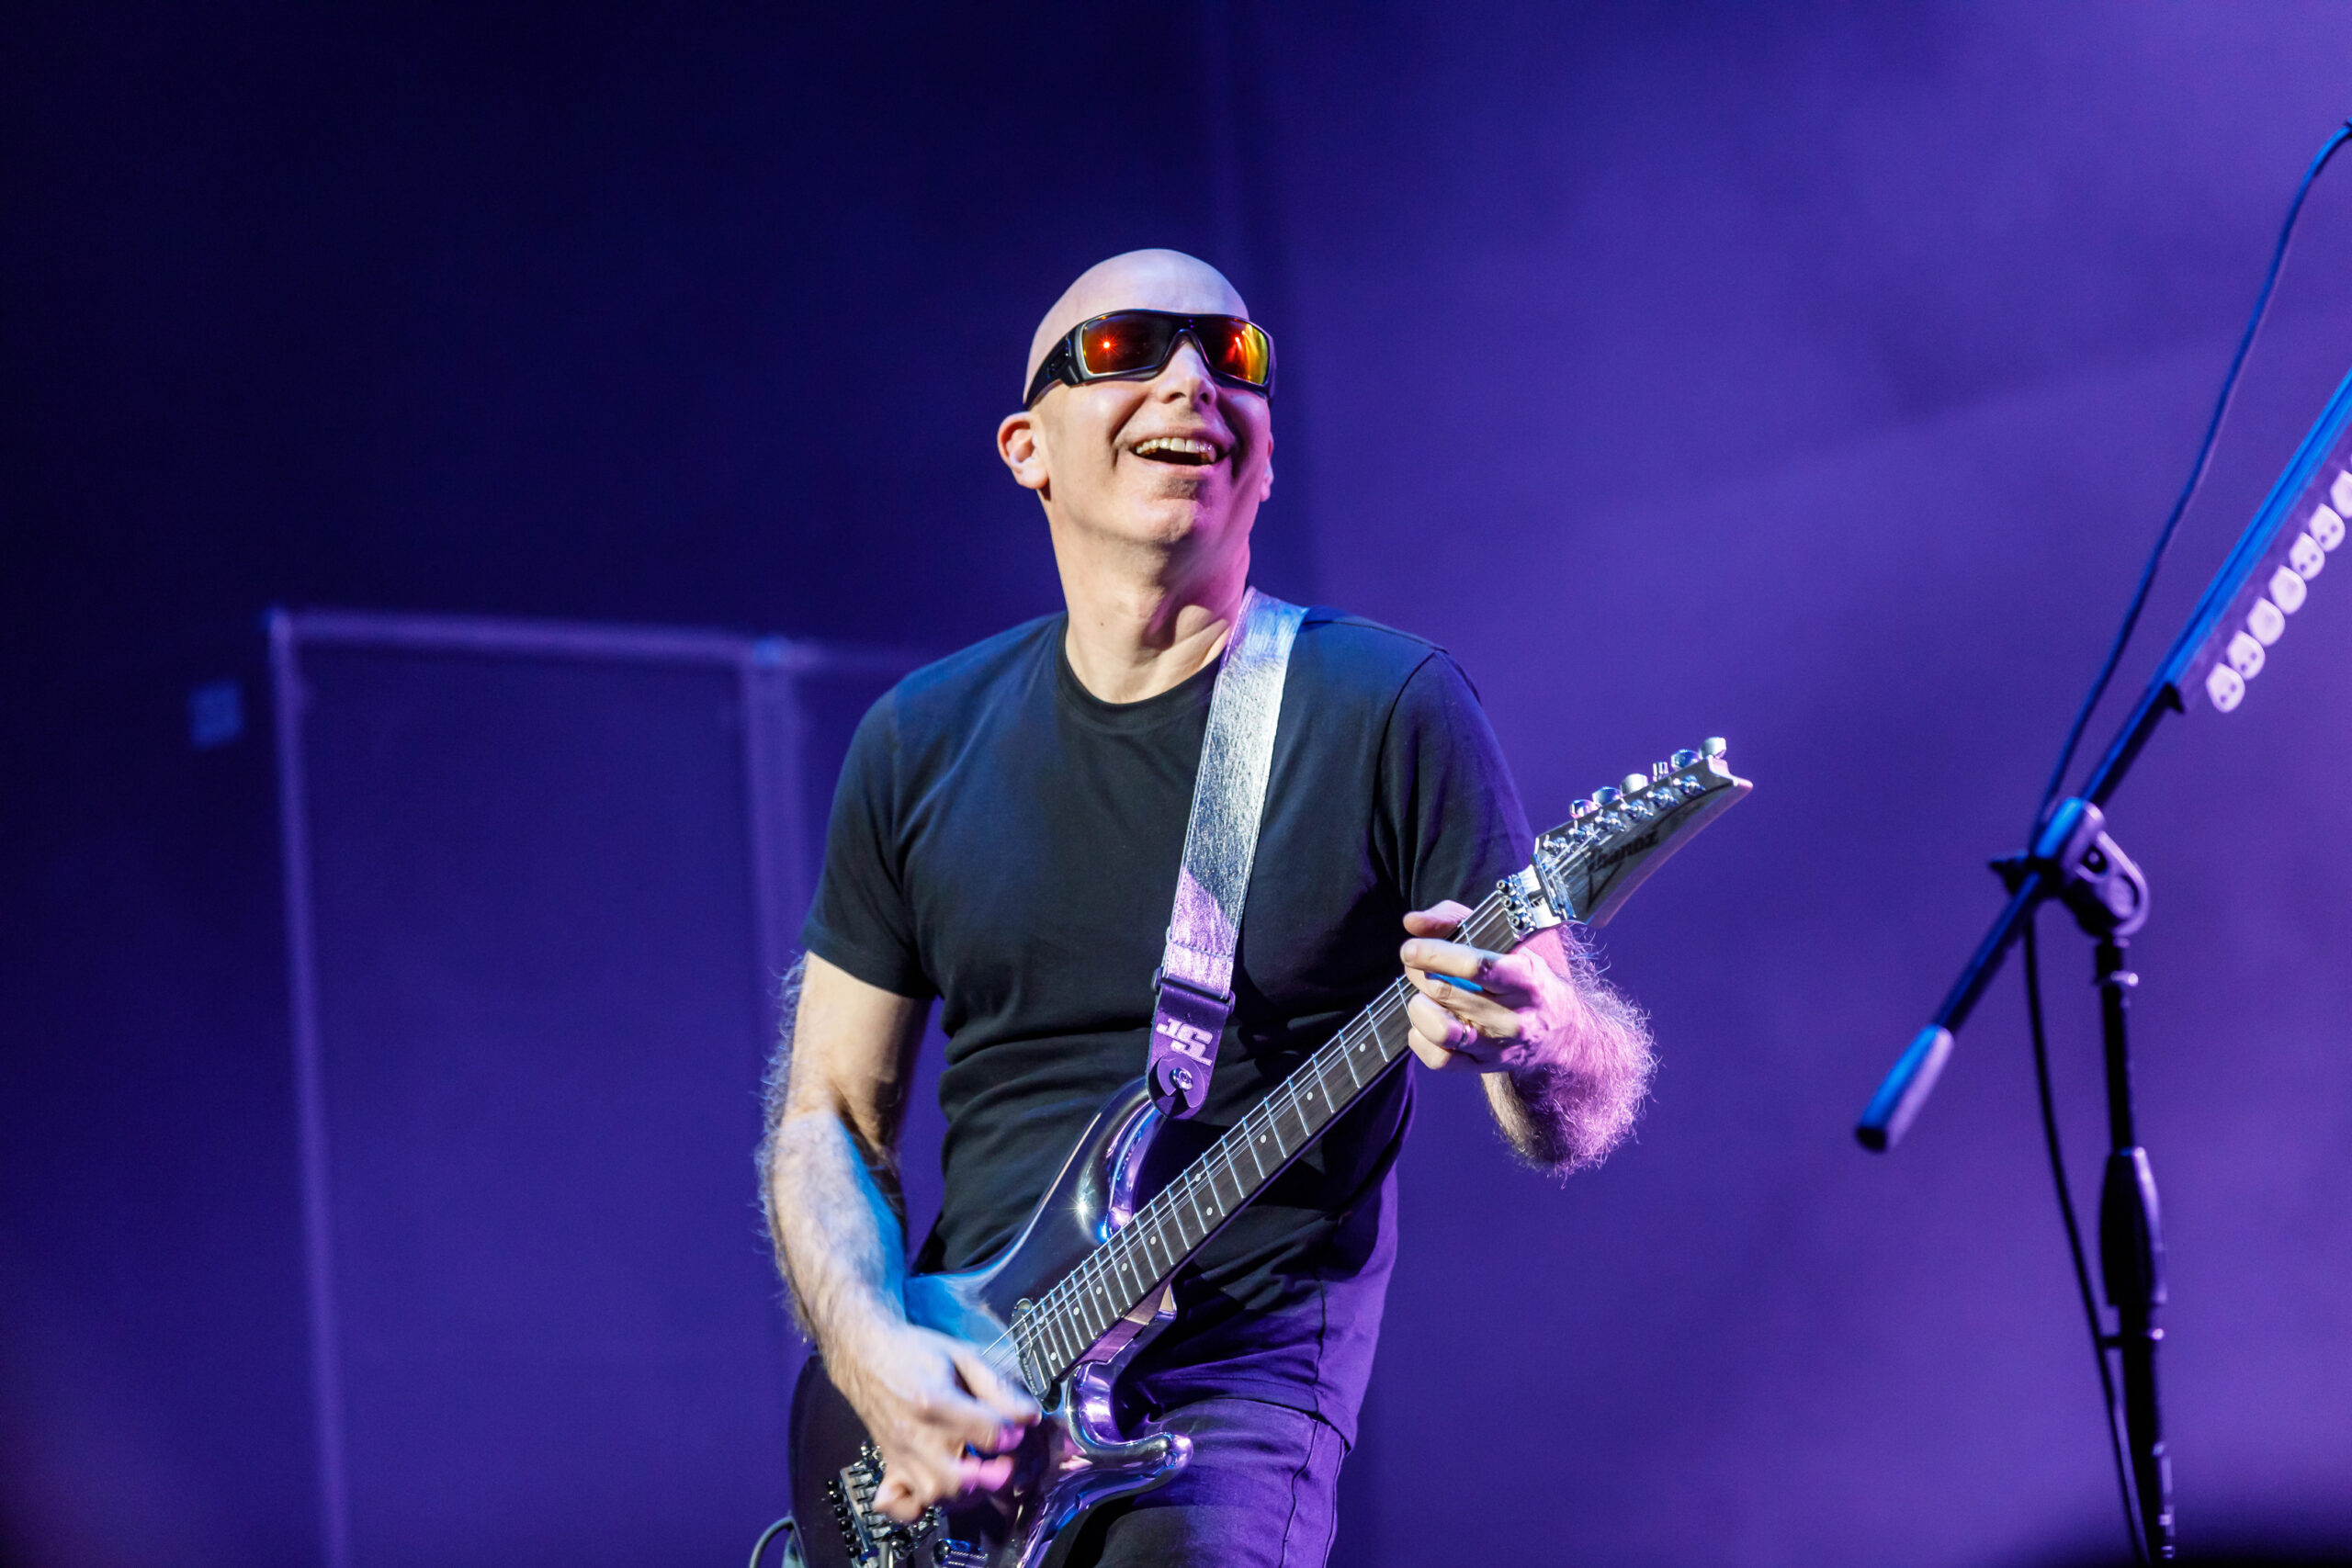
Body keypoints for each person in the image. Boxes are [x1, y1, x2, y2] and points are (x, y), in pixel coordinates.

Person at [761, 248, 1654, 1567]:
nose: (1191, 378)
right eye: (1129, 348)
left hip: (1230, 1408)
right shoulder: (917, 740)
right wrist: (876, 1358)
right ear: (1027, 448)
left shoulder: (1385, 706)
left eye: (1231, 358)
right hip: (964, 1415)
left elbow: (1578, 1105)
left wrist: (1542, 1039)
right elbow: (829, 1118)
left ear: (1266, 456)